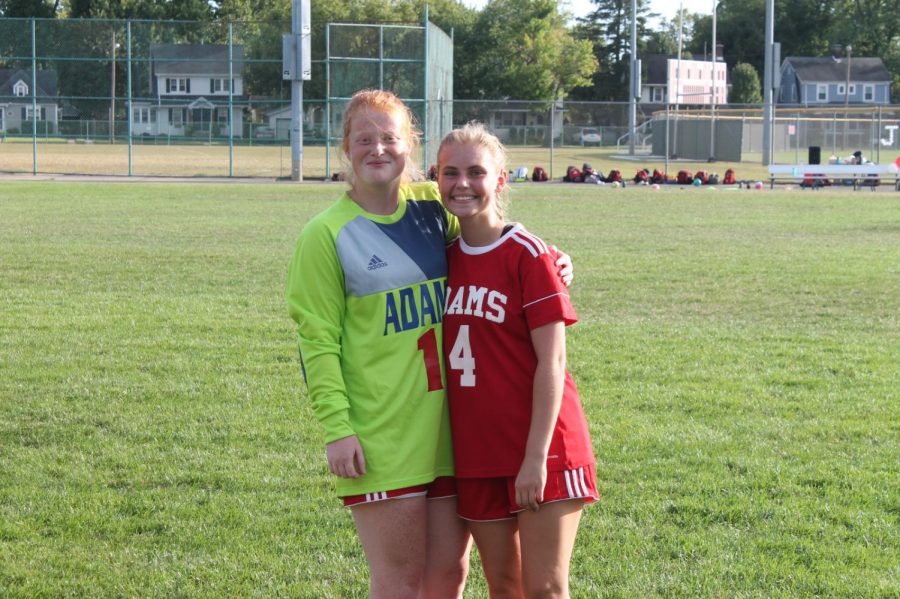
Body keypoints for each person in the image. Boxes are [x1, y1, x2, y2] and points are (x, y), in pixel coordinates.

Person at [285, 90, 573, 598]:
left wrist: (553, 258)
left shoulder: (430, 208)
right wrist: (337, 428)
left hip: (449, 435)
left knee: (448, 578)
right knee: (400, 584)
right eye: (364, 139)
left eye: (390, 138)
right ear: (345, 149)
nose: (377, 149)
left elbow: (489, 241)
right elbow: (317, 343)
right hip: (382, 435)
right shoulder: (325, 235)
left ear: (410, 146)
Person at [437, 123, 598, 598]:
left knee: (544, 588)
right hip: (477, 452)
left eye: (475, 172)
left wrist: (534, 459)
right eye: (450, 172)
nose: (461, 183)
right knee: (505, 588)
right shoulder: (439, 258)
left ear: (501, 180)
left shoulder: (528, 253)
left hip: (543, 448)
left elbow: (554, 363)